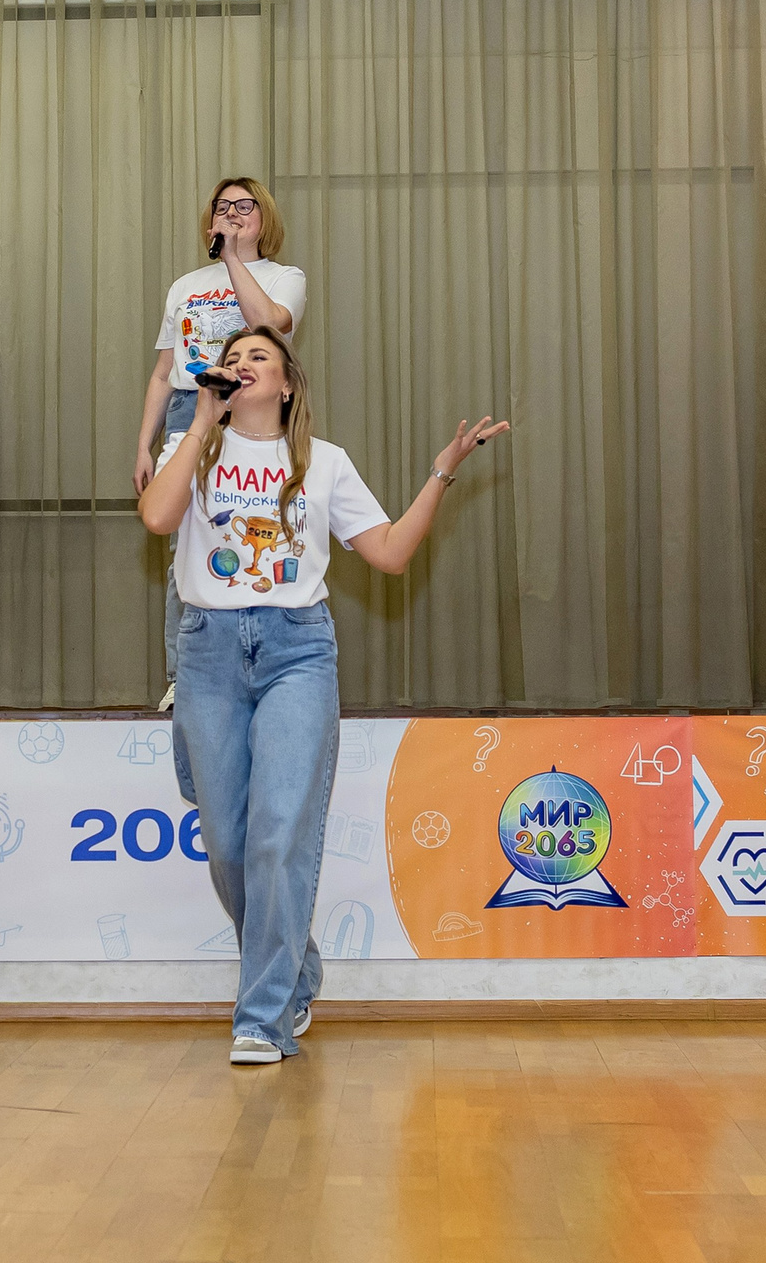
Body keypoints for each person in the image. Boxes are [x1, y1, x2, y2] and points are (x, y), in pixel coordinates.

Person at [139, 325, 505, 1065]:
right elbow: (155, 518)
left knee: (280, 833)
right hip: (208, 651)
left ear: (286, 384)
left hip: (295, 652)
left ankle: (261, 1017)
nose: (242, 366)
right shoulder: (198, 443)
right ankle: (297, 968)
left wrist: (441, 473)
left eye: (258, 358)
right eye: (234, 358)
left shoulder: (324, 462)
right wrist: (200, 420)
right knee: (230, 844)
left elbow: (392, 555)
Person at [135, 178, 307, 711]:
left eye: (244, 206)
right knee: (183, 548)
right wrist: (145, 443)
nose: (232, 214)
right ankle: (182, 678)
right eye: (222, 207)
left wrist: (234, 259)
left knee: (250, 539)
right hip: (193, 411)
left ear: (264, 216)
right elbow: (165, 371)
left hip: (255, 415)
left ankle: (261, 671)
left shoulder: (284, 277)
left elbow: (268, 325)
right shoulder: (185, 284)